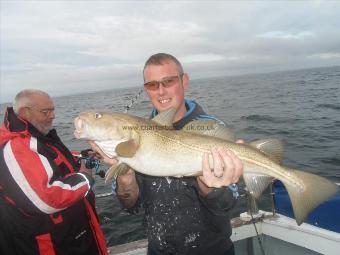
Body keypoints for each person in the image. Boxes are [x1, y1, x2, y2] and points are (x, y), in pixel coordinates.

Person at [91, 53, 243, 255]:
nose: (161, 91)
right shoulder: (132, 136)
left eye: (168, 81)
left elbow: (228, 204)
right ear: (146, 89)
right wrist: (126, 176)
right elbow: (129, 206)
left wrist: (209, 187)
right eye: (152, 85)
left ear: (184, 80)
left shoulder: (212, 129)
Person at [0, 89, 108, 255]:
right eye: (46, 111)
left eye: (53, 110)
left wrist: (83, 156)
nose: (52, 116)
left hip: (71, 235)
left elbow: (52, 159)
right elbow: (47, 199)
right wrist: (85, 178)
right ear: (24, 112)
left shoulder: (34, 136)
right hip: (52, 243)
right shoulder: (16, 146)